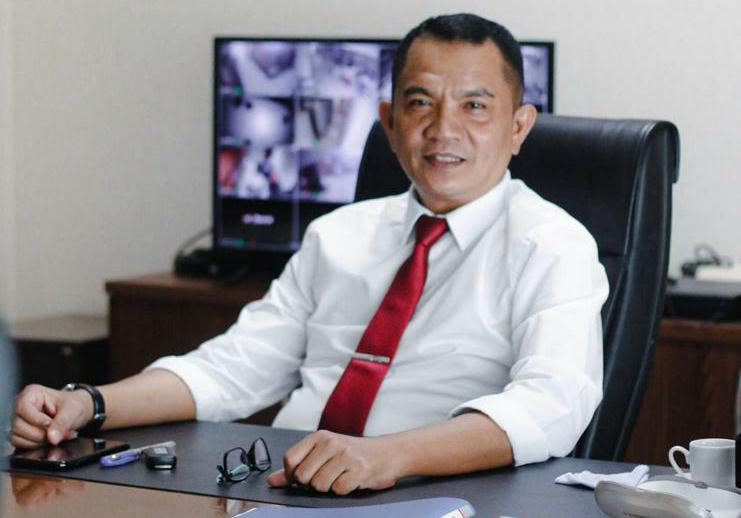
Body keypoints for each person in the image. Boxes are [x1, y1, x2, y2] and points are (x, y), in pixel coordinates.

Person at [10, 13, 608, 496]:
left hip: (432, 495)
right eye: (420, 102)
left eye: (475, 106)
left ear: (519, 126)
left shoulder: (553, 245)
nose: (443, 128)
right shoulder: (337, 235)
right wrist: (88, 404)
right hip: (284, 488)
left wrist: (384, 457)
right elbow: (234, 367)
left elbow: (550, 406)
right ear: (389, 121)